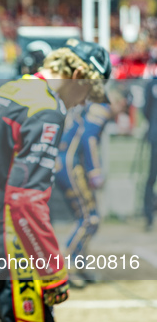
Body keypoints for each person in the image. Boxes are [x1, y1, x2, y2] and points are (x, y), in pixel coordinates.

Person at [0, 39, 110, 322]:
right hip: (12, 239)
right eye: (87, 93)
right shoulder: (46, 107)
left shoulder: (11, 89)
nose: (82, 104)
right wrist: (52, 270)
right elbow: (25, 198)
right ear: (76, 74)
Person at [54, 95, 121, 287]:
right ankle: (68, 267)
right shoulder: (100, 109)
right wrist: (95, 171)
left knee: (87, 217)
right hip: (69, 164)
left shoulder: (90, 107)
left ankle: (79, 265)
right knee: (89, 218)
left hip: (66, 163)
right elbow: (89, 139)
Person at [143, 76, 157, 231]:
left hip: (154, 135)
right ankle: (148, 215)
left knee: (151, 178)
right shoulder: (152, 83)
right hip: (155, 137)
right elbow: (146, 110)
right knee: (151, 178)